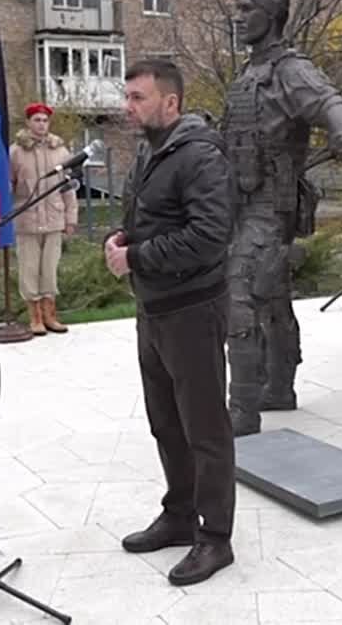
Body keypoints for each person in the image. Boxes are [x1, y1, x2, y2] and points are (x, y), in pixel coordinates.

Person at [221, 0, 342, 436]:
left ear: (272, 15)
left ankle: (242, 409)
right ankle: (280, 387)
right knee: (271, 296)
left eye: (247, 8)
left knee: (239, 296)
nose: (238, 18)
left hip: (270, 207)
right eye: (237, 9)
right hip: (241, 203)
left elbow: (328, 101)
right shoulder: (249, 74)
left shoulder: (290, 70)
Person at [103, 59, 236, 586]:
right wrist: (120, 238)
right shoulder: (151, 152)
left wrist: (136, 258)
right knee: (166, 423)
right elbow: (148, 218)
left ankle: (215, 538)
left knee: (205, 429)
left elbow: (209, 236)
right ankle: (180, 515)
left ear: (171, 102)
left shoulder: (201, 156)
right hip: (154, 308)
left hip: (193, 309)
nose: (127, 106)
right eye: (127, 96)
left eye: (138, 98)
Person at [10, 102, 78, 336]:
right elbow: (7, 185)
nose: (41, 124)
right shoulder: (16, 152)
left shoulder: (60, 151)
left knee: (50, 268)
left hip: (53, 217)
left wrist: (71, 217)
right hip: (27, 220)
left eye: (44, 120)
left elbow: (68, 188)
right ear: (28, 123)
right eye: (36, 120)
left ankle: (50, 314)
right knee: (29, 269)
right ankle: (35, 316)